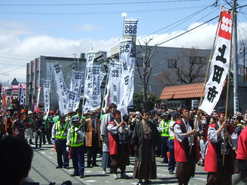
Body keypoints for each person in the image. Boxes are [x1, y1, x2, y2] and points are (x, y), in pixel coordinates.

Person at [204, 112, 235, 185]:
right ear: (218, 117)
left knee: (226, 177)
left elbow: (234, 141)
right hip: (216, 154)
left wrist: (228, 134)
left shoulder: (229, 128)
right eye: (223, 116)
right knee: (214, 177)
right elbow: (212, 138)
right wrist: (221, 127)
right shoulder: (212, 126)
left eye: (226, 116)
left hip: (226, 154)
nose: (225, 118)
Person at [131, 110, 161, 185]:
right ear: (142, 116)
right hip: (141, 145)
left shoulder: (151, 124)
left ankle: (147, 178)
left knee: (149, 162)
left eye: (148, 115)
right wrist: (134, 144)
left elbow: (156, 135)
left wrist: (156, 145)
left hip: (150, 145)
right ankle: (140, 179)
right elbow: (135, 135)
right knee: (140, 161)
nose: (147, 116)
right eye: (145, 115)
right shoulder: (138, 124)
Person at [173, 108, 200, 185]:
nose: (187, 113)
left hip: (191, 147)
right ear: (182, 114)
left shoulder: (192, 122)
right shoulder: (178, 124)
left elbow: (197, 129)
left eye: (188, 111)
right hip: (182, 148)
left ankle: (186, 182)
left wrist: (198, 116)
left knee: (189, 168)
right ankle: (180, 183)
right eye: (185, 112)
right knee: (181, 169)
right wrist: (190, 132)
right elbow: (180, 136)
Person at [107, 110, 130, 179]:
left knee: (123, 158)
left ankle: (123, 172)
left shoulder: (124, 124)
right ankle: (115, 172)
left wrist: (123, 128)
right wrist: (119, 126)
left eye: (120, 115)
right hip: (116, 143)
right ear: (114, 116)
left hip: (123, 143)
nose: (119, 116)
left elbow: (128, 132)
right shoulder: (111, 123)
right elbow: (112, 130)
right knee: (115, 159)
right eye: (118, 115)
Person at [100, 103, 117, 174]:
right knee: (106, 152)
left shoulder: (117, 116)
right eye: (112, 108)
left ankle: (112, 168)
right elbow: (103, 127)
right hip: (107, 136)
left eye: (114, 108)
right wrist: (103, 136)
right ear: (110, 109)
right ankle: (104, 168)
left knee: (113, 153)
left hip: (114, 137)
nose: (113, 109)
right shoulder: (106, 116)